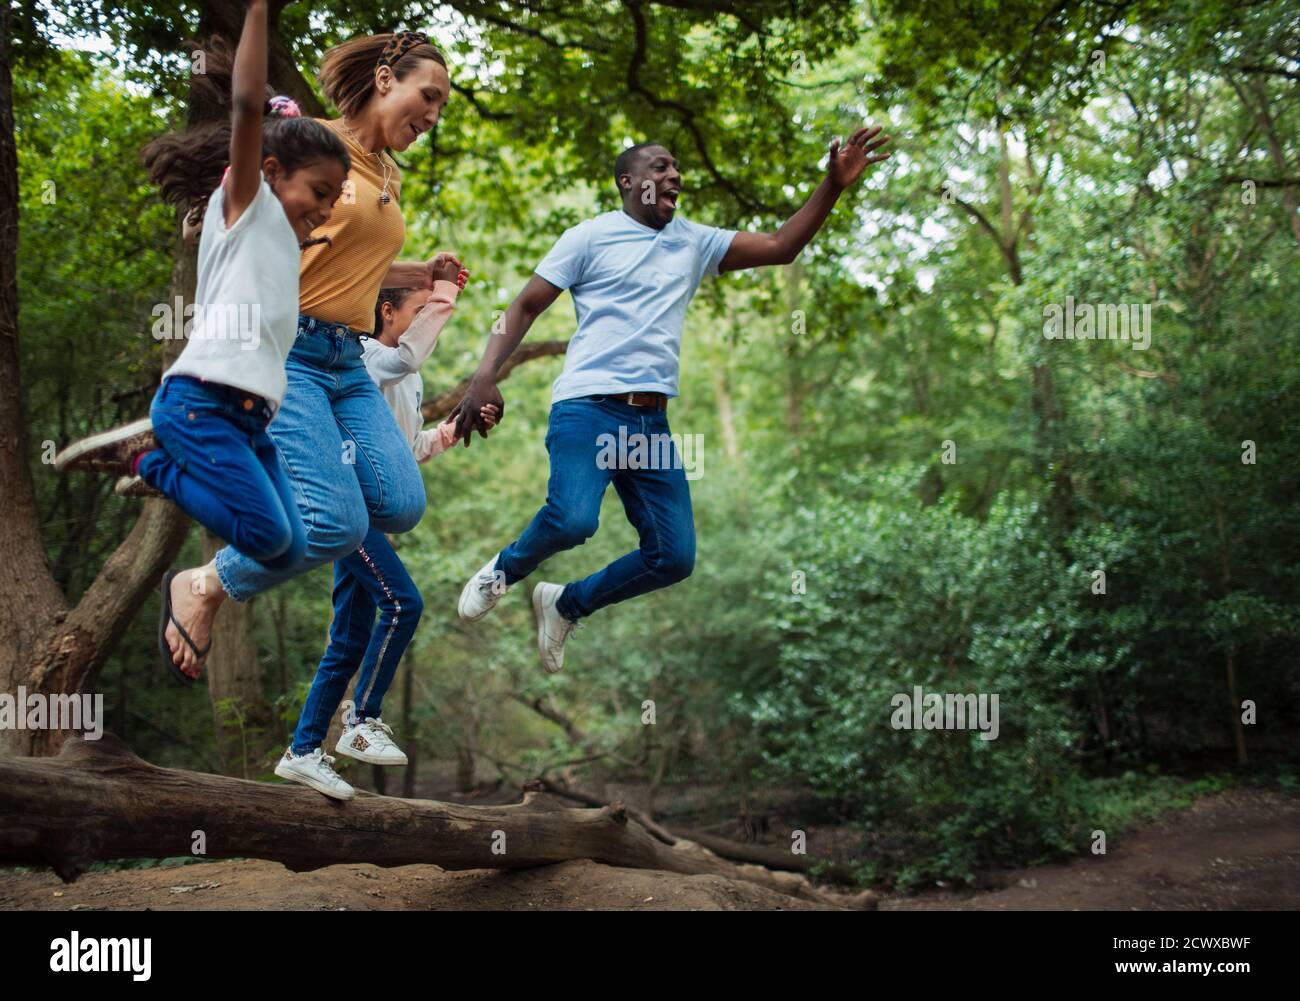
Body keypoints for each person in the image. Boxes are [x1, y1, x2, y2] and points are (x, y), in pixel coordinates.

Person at [450, 129, 891, 673]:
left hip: (650, 424)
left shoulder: (694, 241)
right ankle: (505, 570)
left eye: (677, 169)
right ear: (628, 181)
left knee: (673, 558)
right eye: (661, 167)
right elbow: (523, 307)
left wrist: (833, 185)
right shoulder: (588, 237)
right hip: (588, 407)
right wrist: (484, 375)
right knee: (571, 520)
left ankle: (567, 603)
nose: (674, 176)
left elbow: (782, 246)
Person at [52, 1, 350, 688]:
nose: (327, 208)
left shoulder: (283, 242)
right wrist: (256, 13)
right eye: (320, 191)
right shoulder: (246, 207)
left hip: (251, 421)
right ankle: (151, 459)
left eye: (335, 198)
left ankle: (158, 468)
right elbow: (247, 107)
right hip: (204, 402)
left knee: (293, 545)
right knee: (269, 537)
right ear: (271, 171)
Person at [277, 268, 500, 799]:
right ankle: (362, 720)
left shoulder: (402, 377)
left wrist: (454, 430)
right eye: (419, 310)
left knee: (350, 638)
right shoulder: (365, 358)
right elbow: (404, 357)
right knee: (404, 604)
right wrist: (446, 292)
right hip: (345, 509)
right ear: (387, 312)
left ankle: (303, 751)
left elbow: (406, 447)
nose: (427, 322)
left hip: (370, 516)